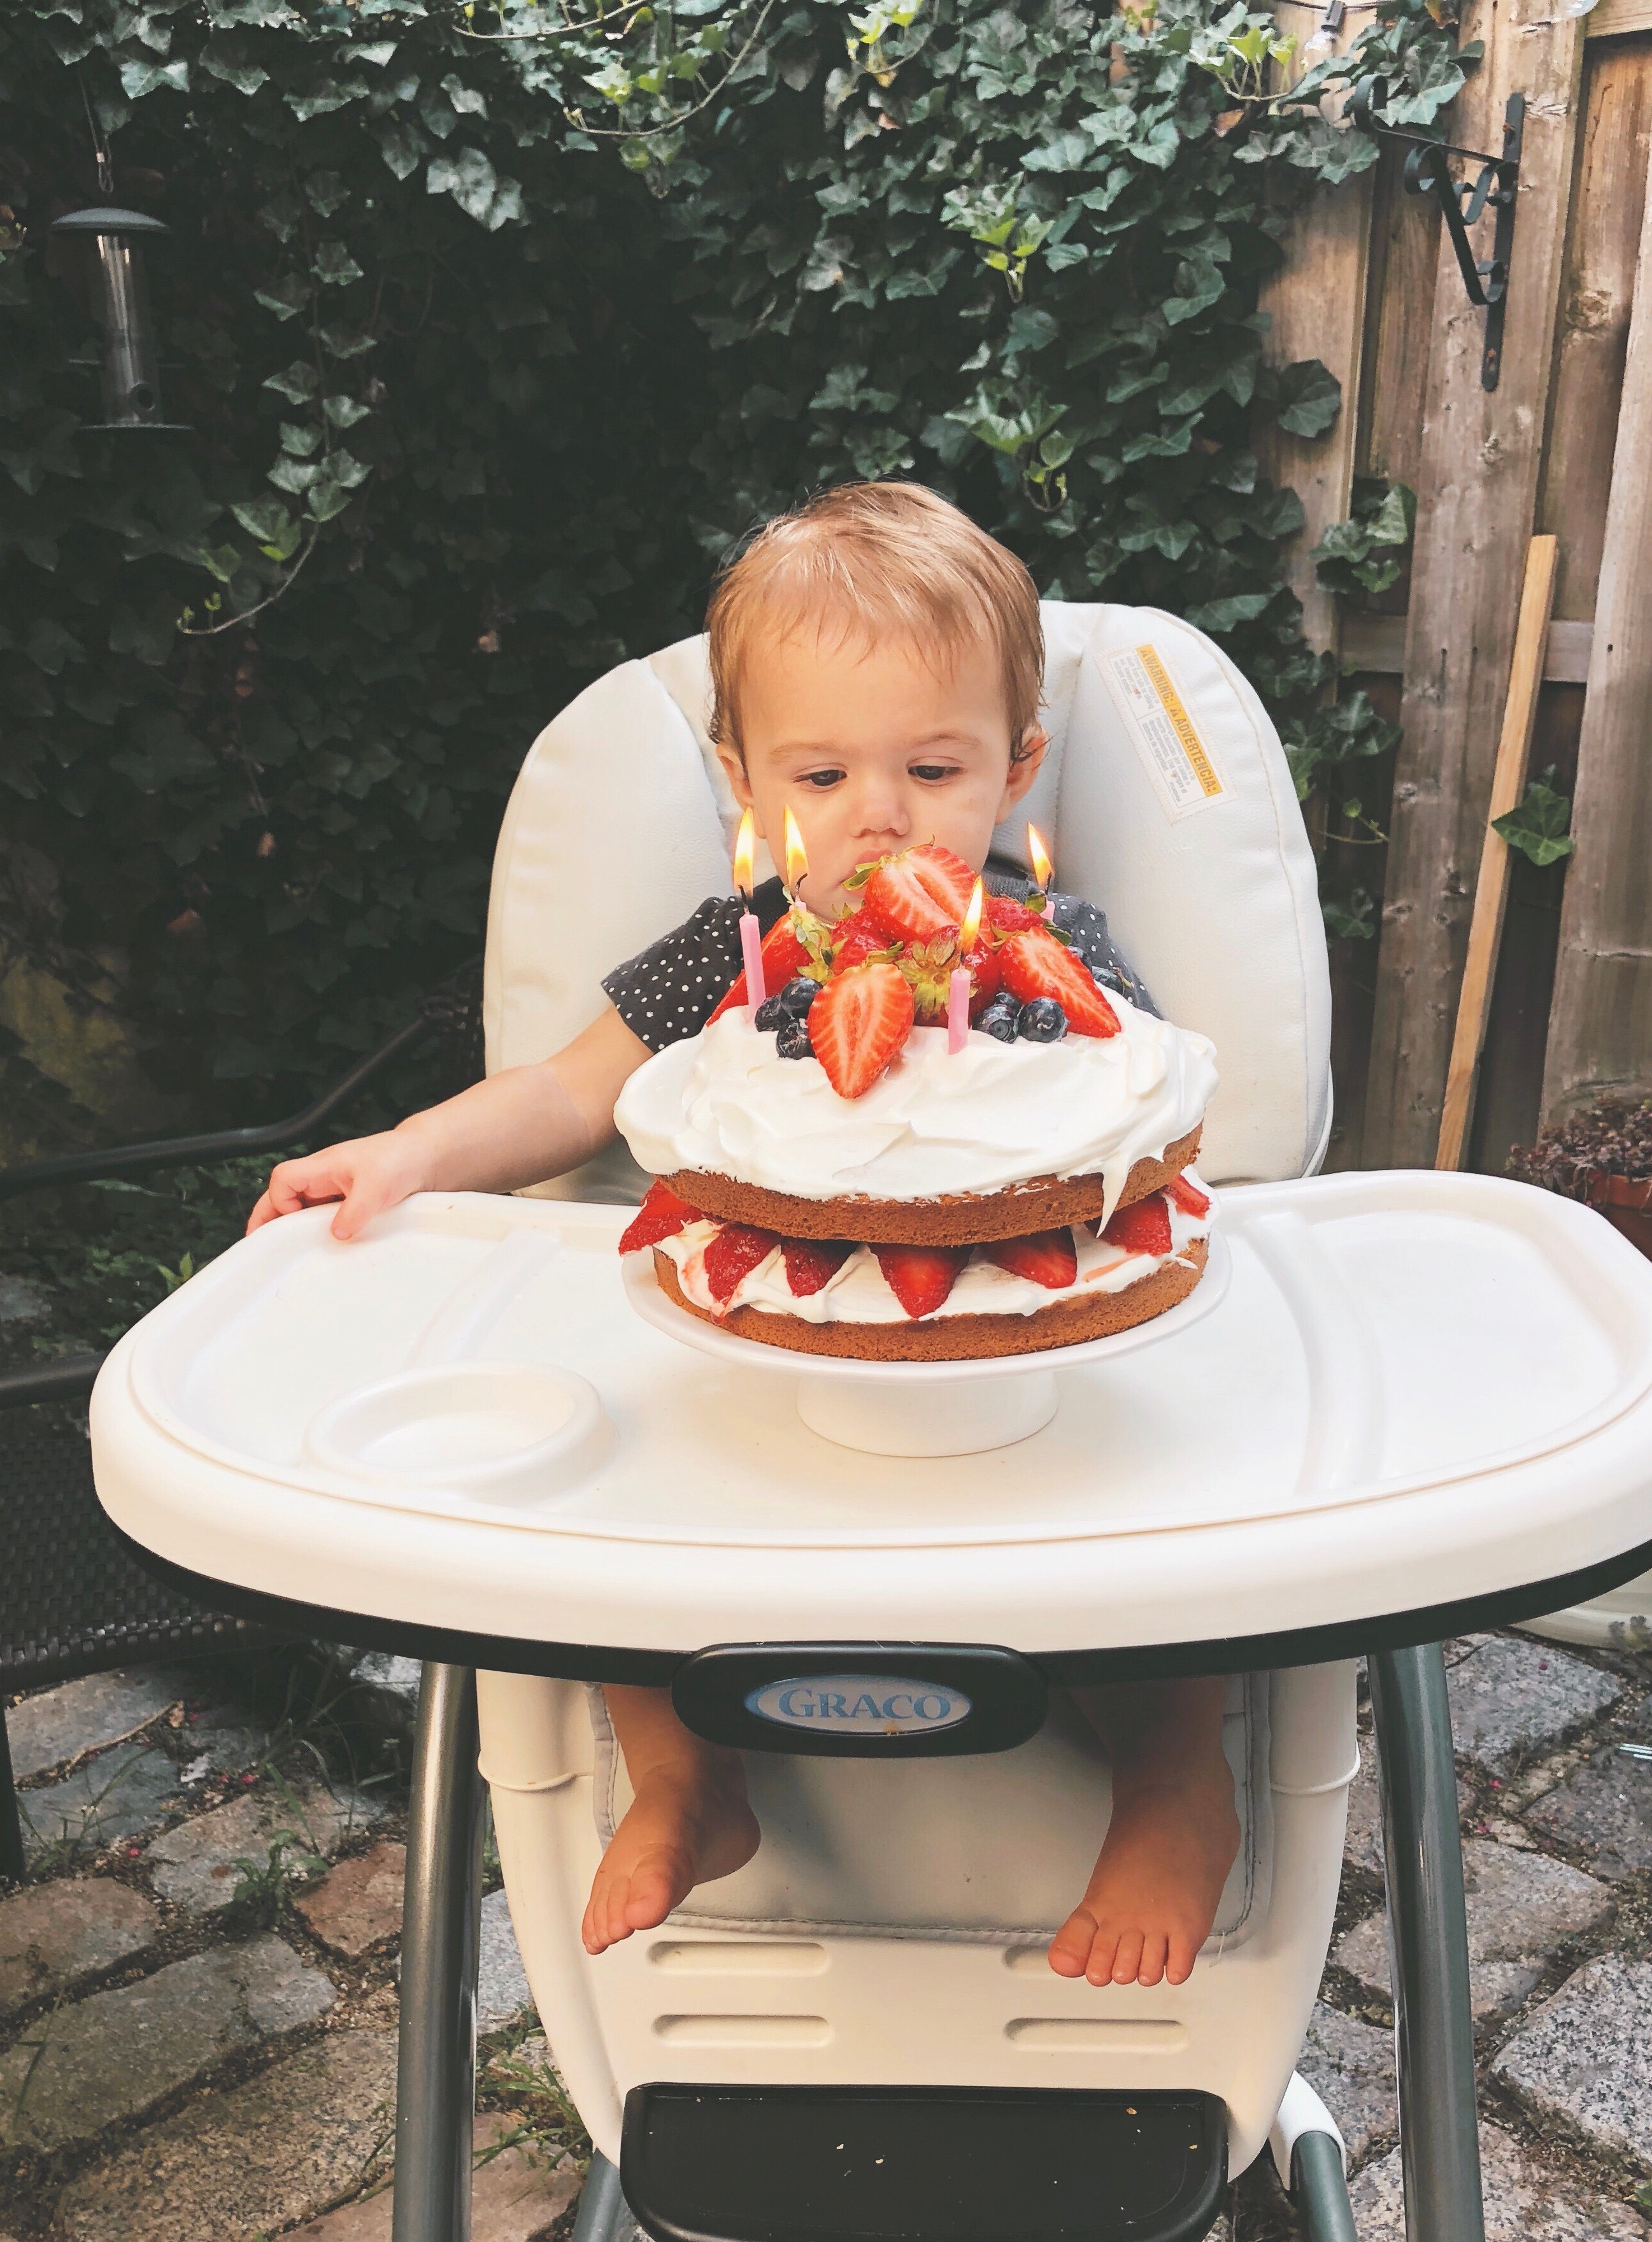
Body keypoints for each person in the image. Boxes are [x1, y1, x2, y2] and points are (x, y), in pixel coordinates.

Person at [249, 480, 1239, 1992]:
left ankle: (1173, 1777)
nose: (880, 815)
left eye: (932, 765)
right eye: (823, 772)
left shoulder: (1049, 957)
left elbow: (1135, 1122)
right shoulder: (737, 946)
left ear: (1016, 768)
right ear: (743, 783)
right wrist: (407, 1152)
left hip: (1012, 1404)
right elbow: (571, 1092)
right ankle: (687, 1780)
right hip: (743, 1392)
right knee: (575, 1542)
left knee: (1170, 1533)